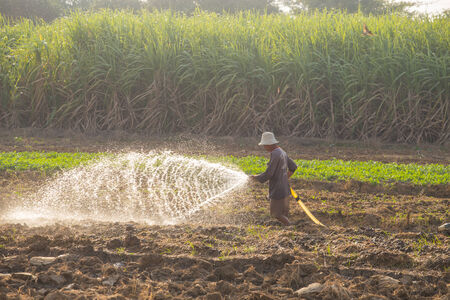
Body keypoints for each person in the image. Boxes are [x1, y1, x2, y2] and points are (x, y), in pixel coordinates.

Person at [250, 132, 297, 226]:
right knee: (283, 213)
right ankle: (287, 230)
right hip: (285, 188)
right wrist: (285, 178)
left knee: (275, 213)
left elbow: (269, 173)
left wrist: (256, 178)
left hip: (278, 190)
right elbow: (293, 167)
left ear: (269, 144)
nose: (264, 147)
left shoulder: (275, 154)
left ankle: (290, 227)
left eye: (264, 145)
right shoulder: (282, 151)